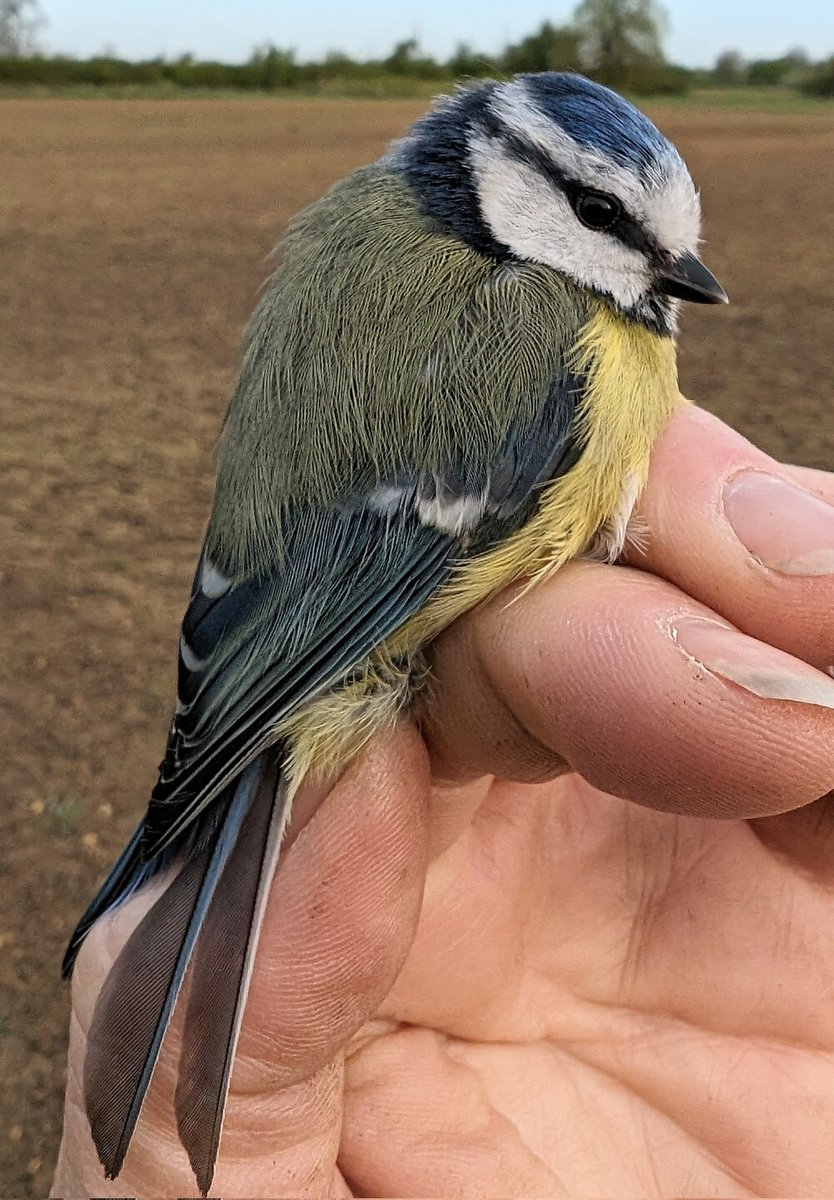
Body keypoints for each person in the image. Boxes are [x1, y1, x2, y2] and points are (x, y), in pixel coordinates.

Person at [53, 405, 834, 1197]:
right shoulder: (551, 335)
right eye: (649, 266)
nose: (684, 280)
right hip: (327, 653)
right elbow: (366, 576)